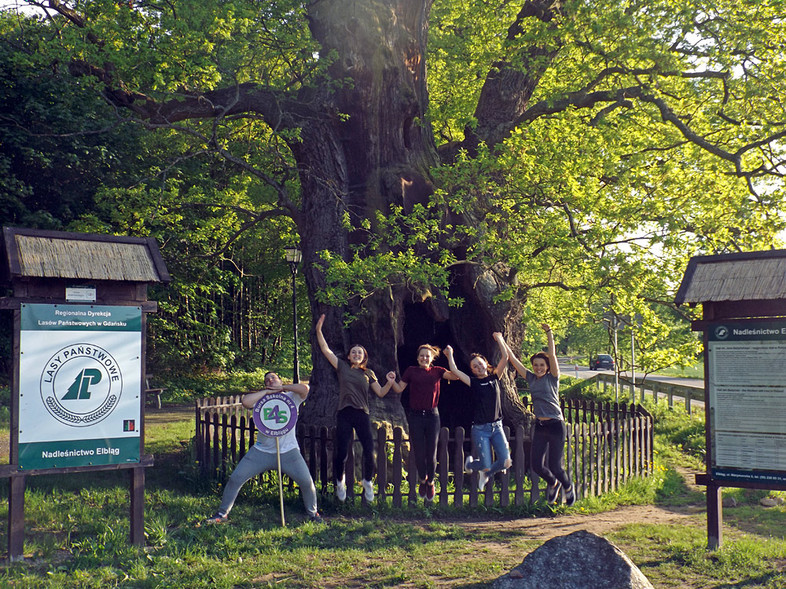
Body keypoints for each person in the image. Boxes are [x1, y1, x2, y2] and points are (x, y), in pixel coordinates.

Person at [205, 371, 322, 524]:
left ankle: (313, 514)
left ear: (280, 379)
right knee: (236, 478)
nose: (270, 380)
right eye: (267, 380)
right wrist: (267, 392)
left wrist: (283, 388)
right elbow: (246, 402)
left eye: (273, 377)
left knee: (307, 483)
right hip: (261, 451)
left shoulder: (291, 397)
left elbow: (305, 389)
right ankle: (222, 514)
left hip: (288, 451)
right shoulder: (261, 400)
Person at [316, 313, 395, 502]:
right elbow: (326, 350)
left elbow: (381, 393)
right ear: (349, 355)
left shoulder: (369, 373)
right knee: (342, 451)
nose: (357, 354)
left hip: (362, 414)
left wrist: (390, 382)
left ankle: (368, 482)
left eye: (360, 353)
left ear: (364, 357)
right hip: (344, 413)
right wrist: (319, 330)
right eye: (354, 352)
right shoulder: (342, 367)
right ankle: (339, 481)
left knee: (369, 450)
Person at [503, 323, 575, 506]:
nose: (538, 368)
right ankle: (553, 483)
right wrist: (500, 340)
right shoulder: (531, 378)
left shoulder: (553, 377)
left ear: (547, 366)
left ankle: (567, 487)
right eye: (535, 365)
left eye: (542, 365)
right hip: (540, 426)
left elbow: (552, 354)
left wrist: (549, 333)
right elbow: (512, 359)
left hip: (556, 425)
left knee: (556, 467)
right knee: (536, 465)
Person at [389, 344, 458, 502]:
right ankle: (422, 479)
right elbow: (399, 388)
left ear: (432, 358)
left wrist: (450, 356)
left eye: (427, 356)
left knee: (431, 451)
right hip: (415, 416)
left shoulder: (438, 371)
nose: (424, 358)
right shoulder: (411, 371)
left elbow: (455, 376)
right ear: (417, 357)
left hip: (432, 415)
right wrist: (392, 381)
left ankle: (431, 481)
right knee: (419, 451)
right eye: (422, 355)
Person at [444, 333, 513, 491]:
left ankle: (486, 474)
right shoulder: (473, 382)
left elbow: (505, 357)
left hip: (497, 427)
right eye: (475, 366)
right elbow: (454, 370)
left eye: (480, 364)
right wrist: (450, 355)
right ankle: (471, 464)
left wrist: (500, 339)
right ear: (473, 371)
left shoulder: (495, 378)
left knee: (505, 461)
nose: (479, 367)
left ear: (486, 364)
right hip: (480, 429)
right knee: (486, 464)